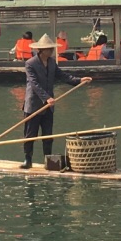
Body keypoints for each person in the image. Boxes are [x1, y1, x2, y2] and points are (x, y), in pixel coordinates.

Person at [21, 34, 92, 169]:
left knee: (48, 135)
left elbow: (63, 76)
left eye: (52, 49)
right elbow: (34, 84)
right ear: (41, 50)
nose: (52, 51)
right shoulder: (30, 64)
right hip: (34, 105)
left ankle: (48, 160)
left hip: (49, 106)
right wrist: (46, 97)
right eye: (49, 49)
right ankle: (27, 159)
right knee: (30, 135)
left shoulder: (52, 62)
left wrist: (79, 80)